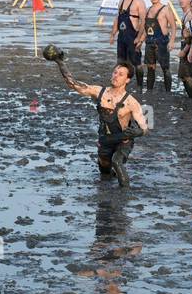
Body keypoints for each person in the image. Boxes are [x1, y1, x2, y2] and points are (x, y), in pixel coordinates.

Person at [46, 47, 148, 188]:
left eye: (121, 74)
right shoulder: (99, 92)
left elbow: (144, 126)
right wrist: (60, 62)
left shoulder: (132, 102)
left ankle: (125, 195)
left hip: (123, 140)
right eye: (115, 72)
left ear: (127, 80)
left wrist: (139, 132)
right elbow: (73, 84)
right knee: (104, 172)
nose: (116, 76)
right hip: (105, 139)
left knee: (117, 162)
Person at [109, 0, 145, 85]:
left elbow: (143, 21)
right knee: (120, 62)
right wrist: (113, 34)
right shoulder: (121, 2)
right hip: (122, 37)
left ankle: (140, 85)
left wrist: (139, 38)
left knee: (136, 63)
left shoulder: (139, 2)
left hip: (133, 36)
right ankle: (121, 84)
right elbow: (117, 19)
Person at [141, 0, 175, 92]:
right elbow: (145, 29)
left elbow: (174, 26)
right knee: (150, 68)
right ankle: (149, 90)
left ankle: (168, 91)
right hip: (149, 42)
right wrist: (140, 41)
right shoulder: (147, 10)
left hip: (162, 42)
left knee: (165, 68)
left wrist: (172, 41)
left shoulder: (165, 9)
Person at [176, 0, 192, 99]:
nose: (181, 1)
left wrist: (185, 50)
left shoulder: (190, 15)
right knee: (187, 75)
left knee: (187, 75)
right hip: (187, 45)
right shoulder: (185, 14)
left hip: (189, 47)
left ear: (189, 0)